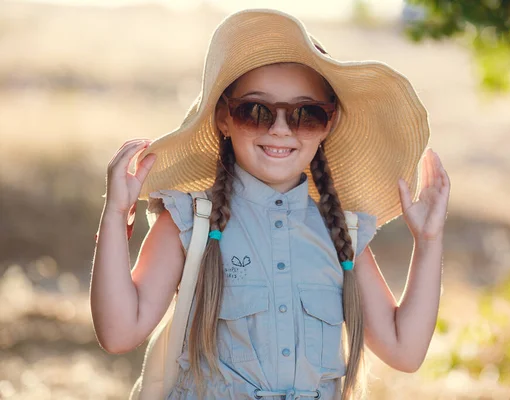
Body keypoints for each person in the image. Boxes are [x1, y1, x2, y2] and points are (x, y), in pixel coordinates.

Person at [90, 8, 450, 400]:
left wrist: (428, 242)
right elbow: (118, 333)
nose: (280, 129)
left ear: (326, 124)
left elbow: (404, 350)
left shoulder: (341, 236)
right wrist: (112, 217)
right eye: (256, 111)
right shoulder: (188, 222)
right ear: (225, 118)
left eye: (305, 114)